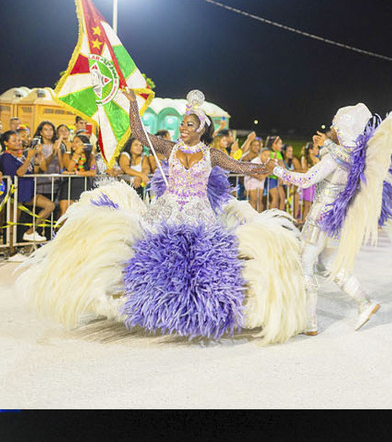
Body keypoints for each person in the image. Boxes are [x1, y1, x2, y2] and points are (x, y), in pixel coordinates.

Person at [18, 89, 304, 344]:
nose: (183, 127)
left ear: (201, 129)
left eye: (188, 124)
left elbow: (241, 167)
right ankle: (143, 301)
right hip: (166, 208)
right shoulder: (170, 148)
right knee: (147, 254)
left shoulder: (212, 154)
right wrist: (133, 104)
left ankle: (192, 311)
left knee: (194, 262)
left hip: (197, 212)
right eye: (182, 123)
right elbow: (139, 133)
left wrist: (264, 167)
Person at [268, 95, 392, 333]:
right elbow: (336, 156)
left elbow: (305, 180)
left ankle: (310, 322)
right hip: (335, 221)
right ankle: (365, 303)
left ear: (342, 129)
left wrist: (275, 170)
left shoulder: (334, 158)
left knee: (304, 264)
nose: (331, 129)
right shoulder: (352, 157)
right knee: (330, 265)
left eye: (334, 126)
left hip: (319, 219)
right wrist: (325, 144)